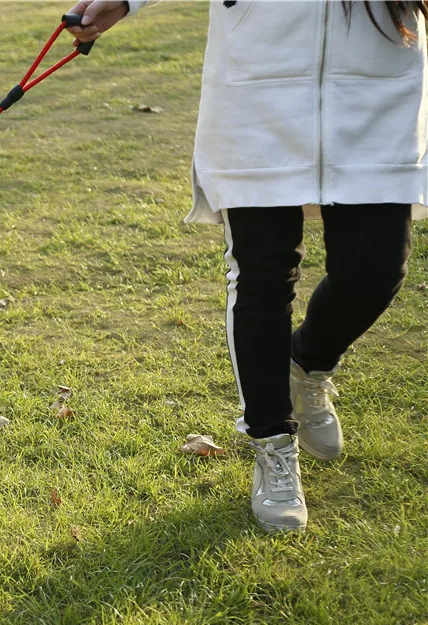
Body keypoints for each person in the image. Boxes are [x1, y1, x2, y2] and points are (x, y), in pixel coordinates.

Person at [66, 0, 423, 532]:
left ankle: (306, 365)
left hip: (377, 85)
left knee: (376, 272)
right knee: (262, 275)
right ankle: (273, 444)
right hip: (258, 94)